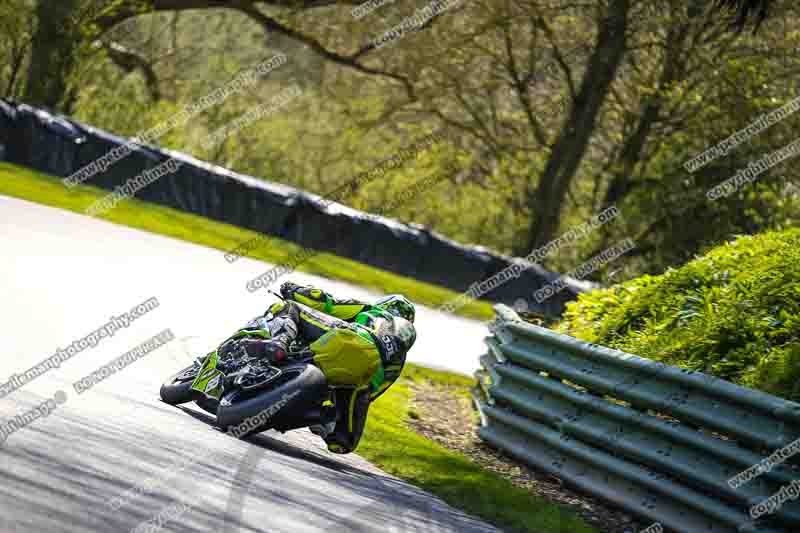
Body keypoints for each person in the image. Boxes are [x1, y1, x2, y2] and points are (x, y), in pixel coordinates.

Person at [232, 281, 417, 454]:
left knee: (292, 308)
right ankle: (322, 415)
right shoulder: (398, 361)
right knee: (343, 442)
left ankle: (278, 343)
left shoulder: (372, 310)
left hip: (349, 338)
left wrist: (294, 290)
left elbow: (327, 303)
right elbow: (373, 393)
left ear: (385, 305)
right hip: (359, 380)